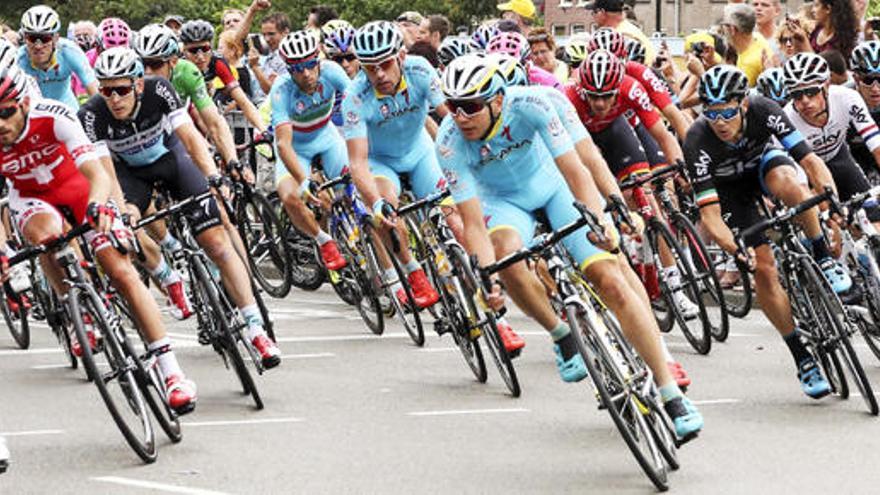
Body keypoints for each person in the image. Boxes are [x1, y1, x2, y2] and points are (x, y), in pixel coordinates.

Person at [437, 54, 703, 438]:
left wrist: (601, 220)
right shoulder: (448, 143)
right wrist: (486, 279)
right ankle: (561, 334)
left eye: (471, 106)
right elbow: (474, 223)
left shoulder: (532, 105)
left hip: (555, 188)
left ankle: (669, 392)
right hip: (504, 203)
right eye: (453, 106)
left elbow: (578, 168)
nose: (460, 117)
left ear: (498, 99)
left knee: (610, 278)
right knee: (506, 258)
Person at [0, 63, 197, 414]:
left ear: (24, 104)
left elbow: (97, 173)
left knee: (120, 270)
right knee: (46, 238)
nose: (1, 124)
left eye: (6, 113)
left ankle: (171, 372)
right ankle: (75, 308)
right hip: (32, 198)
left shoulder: (54, 115)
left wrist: (100, 209)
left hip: (79, 186)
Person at [78, 47, 282, 369]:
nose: (113, 99)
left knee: (216, 242)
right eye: (106, 90)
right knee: (127, 223)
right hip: (130, 176)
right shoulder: (91, 114)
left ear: (138, 85)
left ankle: (255, 327)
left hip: (170, 160)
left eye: (120, 89)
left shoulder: (160, 90)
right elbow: (105, 173)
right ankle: (168, 271)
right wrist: (122, 214)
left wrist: (213, 177)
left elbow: (190, 138)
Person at [685, 65, 848, 400]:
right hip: (729, 191)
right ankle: (802, 357)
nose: (719, 121)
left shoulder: (764, 110)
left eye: (727, 112)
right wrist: (735, 251)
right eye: (711, 112)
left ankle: (821, 256)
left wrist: (830, 205)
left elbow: (810, 162)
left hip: (763, 167)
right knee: (763, 267)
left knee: (790, 184)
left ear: (743, 104)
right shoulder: (697, 140)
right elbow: (711, 217)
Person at [341, 22, 454, 322]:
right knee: (387, 212)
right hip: (381, 162)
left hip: (420, 153)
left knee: (455, 219)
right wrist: (375, 202)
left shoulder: (421, 71)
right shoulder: (354, 97)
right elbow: (358, 162)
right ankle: (412, 271)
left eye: (385, 64)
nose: (378, 74)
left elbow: (451, 117)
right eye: (369, 67)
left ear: (401, 57)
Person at [269, 31, 349, 272]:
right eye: (297, 68)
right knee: (289, 196)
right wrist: (303, 180)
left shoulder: (333, 72)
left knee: (356, 190)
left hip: (327, 136)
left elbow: (358, 104)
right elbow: (283, 144)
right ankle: (323, 240)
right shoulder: (281, 91)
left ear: (318, 59)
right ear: (288, 69)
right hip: (296, 147)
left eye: (310, 65)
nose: (306, 73)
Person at [782, 53, 880, 225]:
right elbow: (798, 181)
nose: (804, 101)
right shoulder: (786, 119)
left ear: (826, 85)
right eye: (796, 95)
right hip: (809, 174)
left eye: (811, 92)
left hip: (840, 159)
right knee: (834, 225)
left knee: (873, 217)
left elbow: (876, 144)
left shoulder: (847, 98)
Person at [179, 20, 267, 135]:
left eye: (205, 49)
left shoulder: (218, 62)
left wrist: (264, 130)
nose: (200, 57)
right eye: (193, 50)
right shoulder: (177, 65)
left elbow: (243, 101)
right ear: (184, 50)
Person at [16, 5, 97, 108]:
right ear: (25, 39)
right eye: (32, 38)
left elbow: (94, 90)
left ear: (56, 38)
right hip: (34, 110)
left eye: (45, 38)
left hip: (66, 107)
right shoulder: (18, 60)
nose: (38, 46)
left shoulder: (70, 51)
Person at [585, 0, 655, 67]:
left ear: (602, 12)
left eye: (593, 12)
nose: (593, 16)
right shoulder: (627, 29)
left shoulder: (622, 36)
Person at [720, 3, 772, 86]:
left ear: (732, 29)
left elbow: (732, 96)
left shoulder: (749, 65)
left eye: (724, 25)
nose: (722, 29)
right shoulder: (758, 38)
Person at [753, 0, 783, 65]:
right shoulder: (745, 37)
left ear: (777, 11)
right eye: (755, 4)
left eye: (764, 5)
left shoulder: (784, 39)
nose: (758, 8)